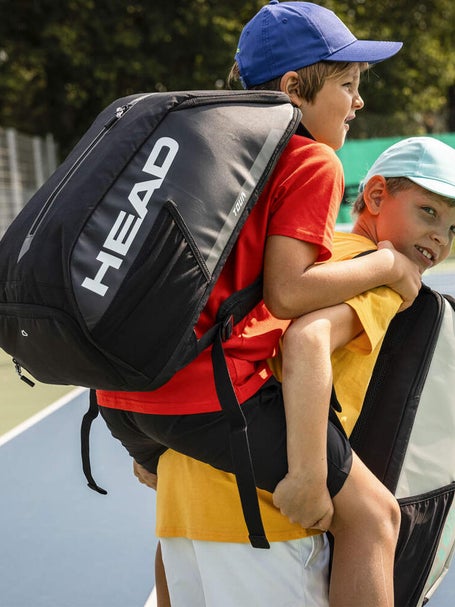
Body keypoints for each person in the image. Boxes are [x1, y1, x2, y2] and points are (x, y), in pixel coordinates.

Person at [98, 2, 420, 605]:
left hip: (127, 395)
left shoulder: (212, 149)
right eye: (347, 85)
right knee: (375, 517)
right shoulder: (309, 158)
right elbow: (289, 292)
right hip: (204, 393)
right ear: (294, 89)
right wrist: (388, 264)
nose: (357, 102)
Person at [148, 136, 455, 607]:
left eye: (453, 228)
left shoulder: (307, 258)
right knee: (376, 517)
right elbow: (306, 343)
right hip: (262, 516)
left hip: (181, 502)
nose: (440, 236)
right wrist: (311, 479)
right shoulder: (379, 275)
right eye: (428, 212)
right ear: (374, 198)